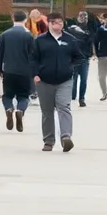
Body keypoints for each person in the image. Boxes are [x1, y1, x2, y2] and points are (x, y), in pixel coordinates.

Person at [32, 11, 79, 152]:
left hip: (64, 80)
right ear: (50, 24)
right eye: (57, 22)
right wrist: (35, 74)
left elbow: (79, 57)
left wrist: (70, 68)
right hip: (44, 80)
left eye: (61, 22)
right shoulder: (40, 40)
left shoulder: (70, 40)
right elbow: (33, 59)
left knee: (64, 107)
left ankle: (66, 137)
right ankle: (48, 141)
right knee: (47, 111)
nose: (60, 24)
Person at [0, 10, 35, 132]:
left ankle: (9, 109)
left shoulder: (5, 34)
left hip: (9, 70)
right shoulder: (29, 35)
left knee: (7, 95)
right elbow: (32, 55)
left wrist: (0, 69)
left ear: (13, 19)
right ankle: (20, 110)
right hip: (24, 71)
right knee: (23, 95)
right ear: (26, 19)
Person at [65, 10, 94, 107]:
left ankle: (82, 98)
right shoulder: (72, 29)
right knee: (74, 78)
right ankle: (72, 95)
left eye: (84, 17)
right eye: (81, 16)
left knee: (84, 79)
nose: (83, 18)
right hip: (74, 58)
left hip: (85, 57)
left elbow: (90, 39)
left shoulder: (89, 29)